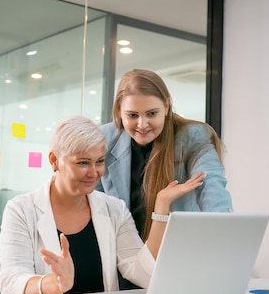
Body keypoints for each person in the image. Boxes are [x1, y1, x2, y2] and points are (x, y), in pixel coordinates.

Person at [0, 116, 204, 294]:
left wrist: (161, 208)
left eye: (100, 161)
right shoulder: (21, 209)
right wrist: (52, 284)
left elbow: (141, 270)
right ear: (54, 160)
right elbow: (11, 281)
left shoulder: (113, 209)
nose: (94, 172)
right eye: (83, 163)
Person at [97, 69, 232, 241]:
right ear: (119, 110)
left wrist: (223, 228)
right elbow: (93, 201)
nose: (142, 124)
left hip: (174, 249)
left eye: (152, 113)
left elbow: (210, 181)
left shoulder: (193, 136)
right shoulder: (104, 139)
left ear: (166, 106)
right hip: (121, 251)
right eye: (132, 115)